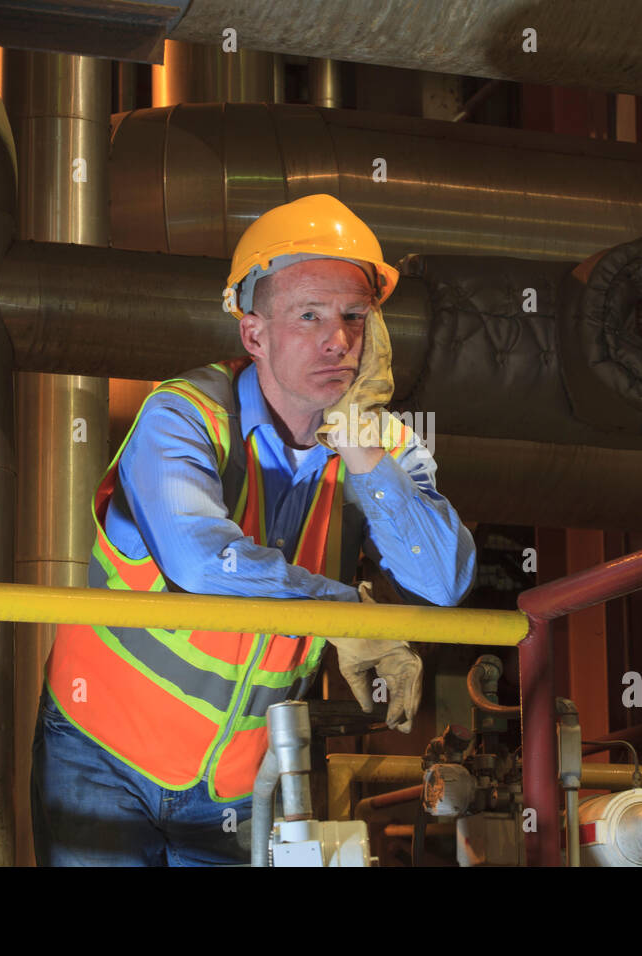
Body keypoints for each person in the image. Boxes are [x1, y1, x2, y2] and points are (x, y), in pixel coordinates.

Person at [31, 194, 477, 866]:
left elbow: (444, 579)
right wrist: (344, 613)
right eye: (310, 316)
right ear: (254, 334)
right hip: (101, 759)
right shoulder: (183, 415)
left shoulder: (378, 443)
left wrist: (357, 440)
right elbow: (200, 561)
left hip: (235, 786)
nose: (340, 339)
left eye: (355, 316)